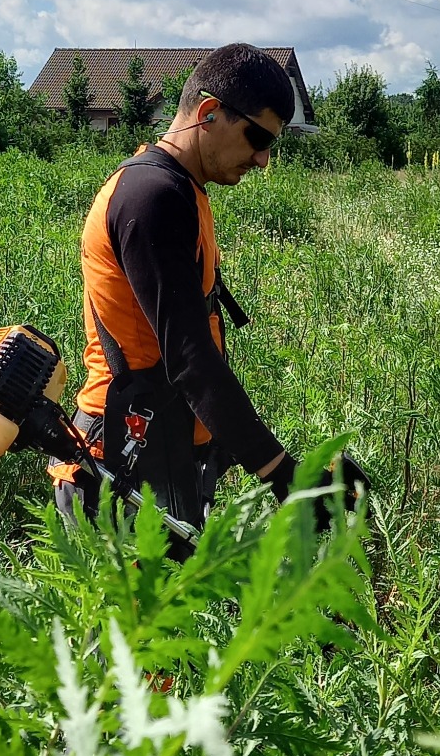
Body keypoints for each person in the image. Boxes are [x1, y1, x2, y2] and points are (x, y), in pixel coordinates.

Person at [53, 43, 308, 537]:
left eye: (272, 144)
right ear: (209, 112)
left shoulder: (181, 189)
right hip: (119, 470)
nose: (262, 159)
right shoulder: (152, 197)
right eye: (257, 137)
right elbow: (189, 359)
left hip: (158, 453)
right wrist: (281, 473)